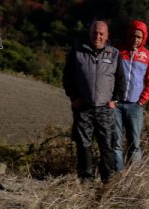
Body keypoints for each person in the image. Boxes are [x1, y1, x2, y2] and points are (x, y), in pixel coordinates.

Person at [63, 20, 126, 183]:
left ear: (107, 36)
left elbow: (121, 81)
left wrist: (116, 100)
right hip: (83, 108)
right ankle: (86, 181)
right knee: (83, 146)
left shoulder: (114, 54)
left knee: (107, 146)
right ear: (89, 33)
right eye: (94, 33)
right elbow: (67, 78)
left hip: (105, 109)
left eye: (101, 34)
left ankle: (108, 181)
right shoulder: (77, 52)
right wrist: (73, 98)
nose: (97, 36)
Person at [114, 19, 149, 170]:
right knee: (116, 144)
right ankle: (116, 178)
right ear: (129, 35)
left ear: (143, 38)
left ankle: (133, 178)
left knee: (135, 144)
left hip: (135, 106)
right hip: (116, 106)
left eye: (139, 37)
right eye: (133, 36)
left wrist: (142, 100)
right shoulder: (118, 51)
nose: (135, 39)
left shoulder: (147, 56)